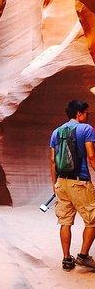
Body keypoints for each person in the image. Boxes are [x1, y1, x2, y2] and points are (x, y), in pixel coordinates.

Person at [50, 100, 95, 271]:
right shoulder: (87, 129)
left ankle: (66, 259)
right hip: (80, 182)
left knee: (65, 221)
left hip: (61, 182)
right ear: (79, 113)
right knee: (92, 220)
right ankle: (83, 256)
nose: (88, 115)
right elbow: (91, 157)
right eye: (86, 112)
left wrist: (54, 184)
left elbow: (52, 161)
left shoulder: (56, 132)